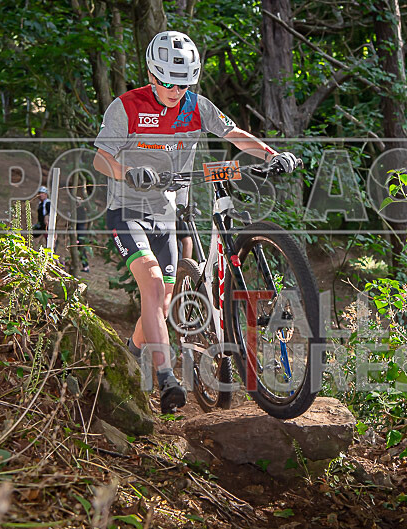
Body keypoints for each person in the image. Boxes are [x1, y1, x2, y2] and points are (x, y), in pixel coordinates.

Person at [92, 31, 300, 414]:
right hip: (127, 213)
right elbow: (100, 159)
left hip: (167, 215)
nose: (177, 90)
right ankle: (167, 379)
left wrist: (272, 153)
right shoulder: (126, 107)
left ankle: (131, 352)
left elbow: (233, 133)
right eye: (169, 82)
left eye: (186, 82)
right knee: (153, 286)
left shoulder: (197, 105)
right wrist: (127, 174)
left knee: (159, 301)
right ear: (152, 76)